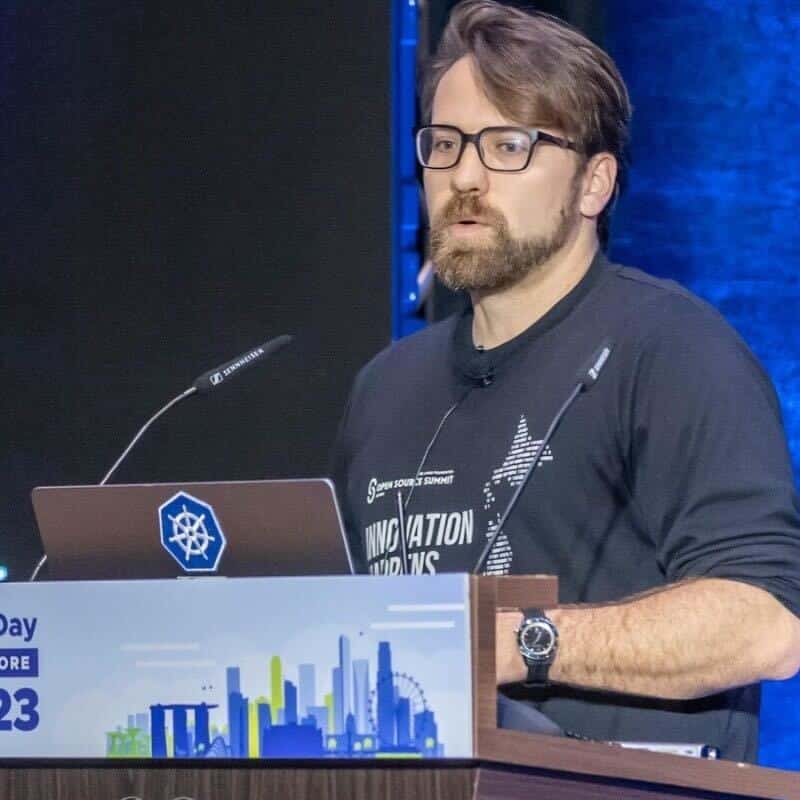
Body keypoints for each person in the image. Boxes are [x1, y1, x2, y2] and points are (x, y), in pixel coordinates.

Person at [331, 0, 800, 761]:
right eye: (445, 144)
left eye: (509, 145)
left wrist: (521, 644)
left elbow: (764, 622)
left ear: (594, 184)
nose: (466, 176)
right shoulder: (385, 388)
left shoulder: (674, 350)